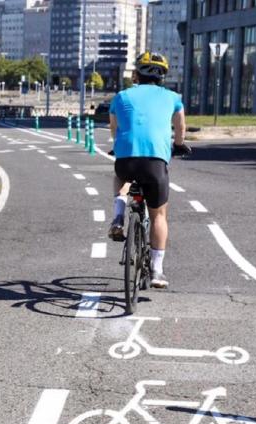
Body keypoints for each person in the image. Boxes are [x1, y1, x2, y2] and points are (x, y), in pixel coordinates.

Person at [107, 51, 191, 289]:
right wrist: (178, 144)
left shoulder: (121, 96)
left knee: (121, 176)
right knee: (159, 216)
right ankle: (157, 270)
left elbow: (114, 127)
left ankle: (118, 216)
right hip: (155, 163)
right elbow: (180, 126)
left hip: (126, 158)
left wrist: (119, 147)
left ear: (136, 74)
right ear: (162, 76)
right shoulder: (173, 97)